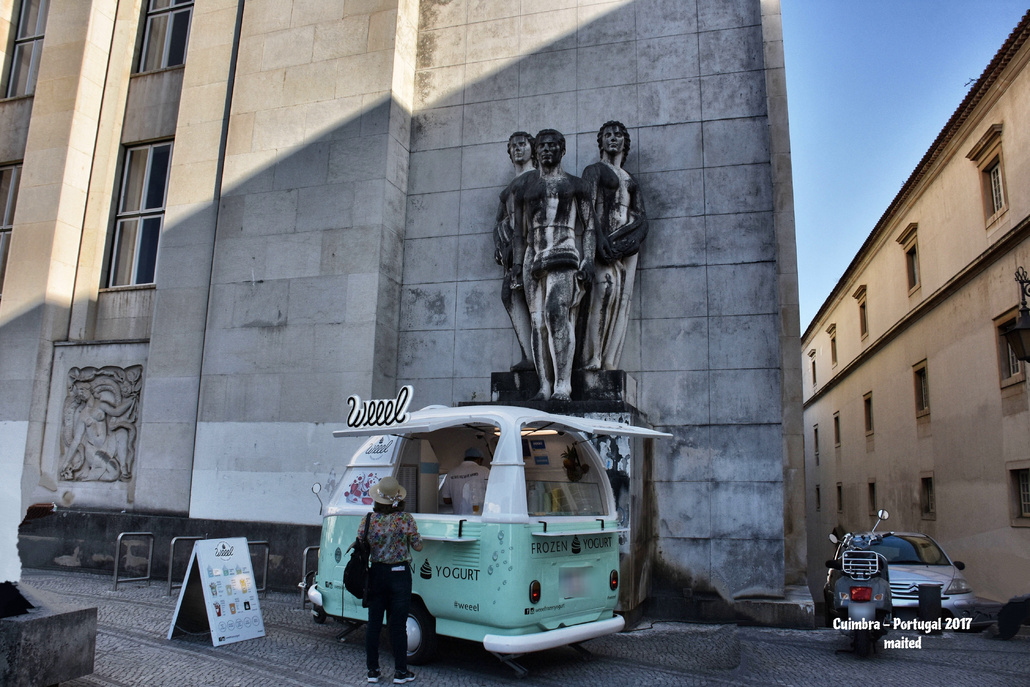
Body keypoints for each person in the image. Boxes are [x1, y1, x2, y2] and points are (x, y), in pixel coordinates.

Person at [511, 129, 596, 400]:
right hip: (532, 256)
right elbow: (519, 234)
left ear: (562, 150)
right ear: (536, 153)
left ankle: (563, 385)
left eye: (553, 146)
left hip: (563, 252)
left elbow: (591, 226)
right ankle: (544, 386)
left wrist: (590, 259)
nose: (547, 150)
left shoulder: (576, 184)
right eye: (543, 146)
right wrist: (516, 265)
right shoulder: (526, 188)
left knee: (557, 316)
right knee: (538, 323)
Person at [579, 120, 648, 371]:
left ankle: (608, 358)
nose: (613, 139)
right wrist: (598, 239)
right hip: (602, 244)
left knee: (620, 301)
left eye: (618, 135)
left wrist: (629, 241)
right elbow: (587, 209)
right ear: (601, 142)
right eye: (607, 135)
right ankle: (593, 355)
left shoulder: (630, 180)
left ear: (624, 142)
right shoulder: (594, 170)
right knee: (604, 291)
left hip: (623, 247)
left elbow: (641, 216)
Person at [360, 476, 422, 684]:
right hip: (400, 575)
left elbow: (361, 542)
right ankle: (401, 672)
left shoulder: (369, 520)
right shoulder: (405, 519)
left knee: (374, 624)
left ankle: (372, 671)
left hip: (377, 574)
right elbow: (418, 545)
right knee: (397, 625)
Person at [493, 131, 536, 372]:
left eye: (522, 144)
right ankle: (528, 356)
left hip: (530, 249)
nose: (518, 149)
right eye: (513, 146)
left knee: (532, 302)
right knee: (510, 296)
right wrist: (502, 243)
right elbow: (500, 220)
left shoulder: (535, 178)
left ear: (532, 149)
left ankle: (537, 358)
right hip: (511, 251)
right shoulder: (508, 189)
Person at [440, 448, 490, 515]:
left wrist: (459, 499)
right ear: (479, 459)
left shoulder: (451, 473)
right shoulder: (484, 471)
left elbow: (446, 499)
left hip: (459, 519)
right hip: (479, 518)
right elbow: (492, 494)